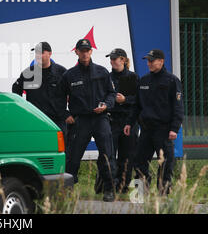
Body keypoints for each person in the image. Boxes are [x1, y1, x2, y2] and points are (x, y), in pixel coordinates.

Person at [61, 39, 117, 202]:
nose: (85, 53)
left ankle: (109, 189)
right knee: (73, 156)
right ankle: (68, 190)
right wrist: (66, 115)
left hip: (100, 118)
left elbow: (111, 94)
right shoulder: (69, 75)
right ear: (76, 52)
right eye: (82, 50)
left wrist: (106, 105)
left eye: (87, 50)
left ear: (91, 51)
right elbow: (58, 98)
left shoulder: (102, 71)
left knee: (107, 154)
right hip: (80, 121)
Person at [124, 49, 184, 195]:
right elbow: (137, 105)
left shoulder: (171, 80)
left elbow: (178, 107)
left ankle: (163, 193)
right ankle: (140, 193)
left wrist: (174, 128)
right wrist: (129, 123)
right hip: (146, 129)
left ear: (161, 61)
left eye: (152, 60)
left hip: (163, 130)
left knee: (165, 163)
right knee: (139, 161)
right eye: (148, 61)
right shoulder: (143, 80)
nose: (149, 63)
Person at [95, 48, 140, 194]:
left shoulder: (133, 77)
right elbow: (102, 97)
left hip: (128, 121)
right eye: (111, 58)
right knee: (108, 155)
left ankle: (123, 187)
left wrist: (124, 99)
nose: (112, 61)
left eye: (115, 58)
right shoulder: (107, 77)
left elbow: (139, 100)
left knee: (127, 157)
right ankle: (106, 187)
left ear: (123, 60)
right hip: (111, 120)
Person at [12, 42, 67, 133]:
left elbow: (72, 93)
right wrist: (22, 109)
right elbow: (16, 90)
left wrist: (67, 114)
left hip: (57, 121)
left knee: (59, 147)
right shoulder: (28, 73)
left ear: (50, 54)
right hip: (36, 119)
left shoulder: (61, 72)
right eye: (36, 53)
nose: (38, 55)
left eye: (41, 53)